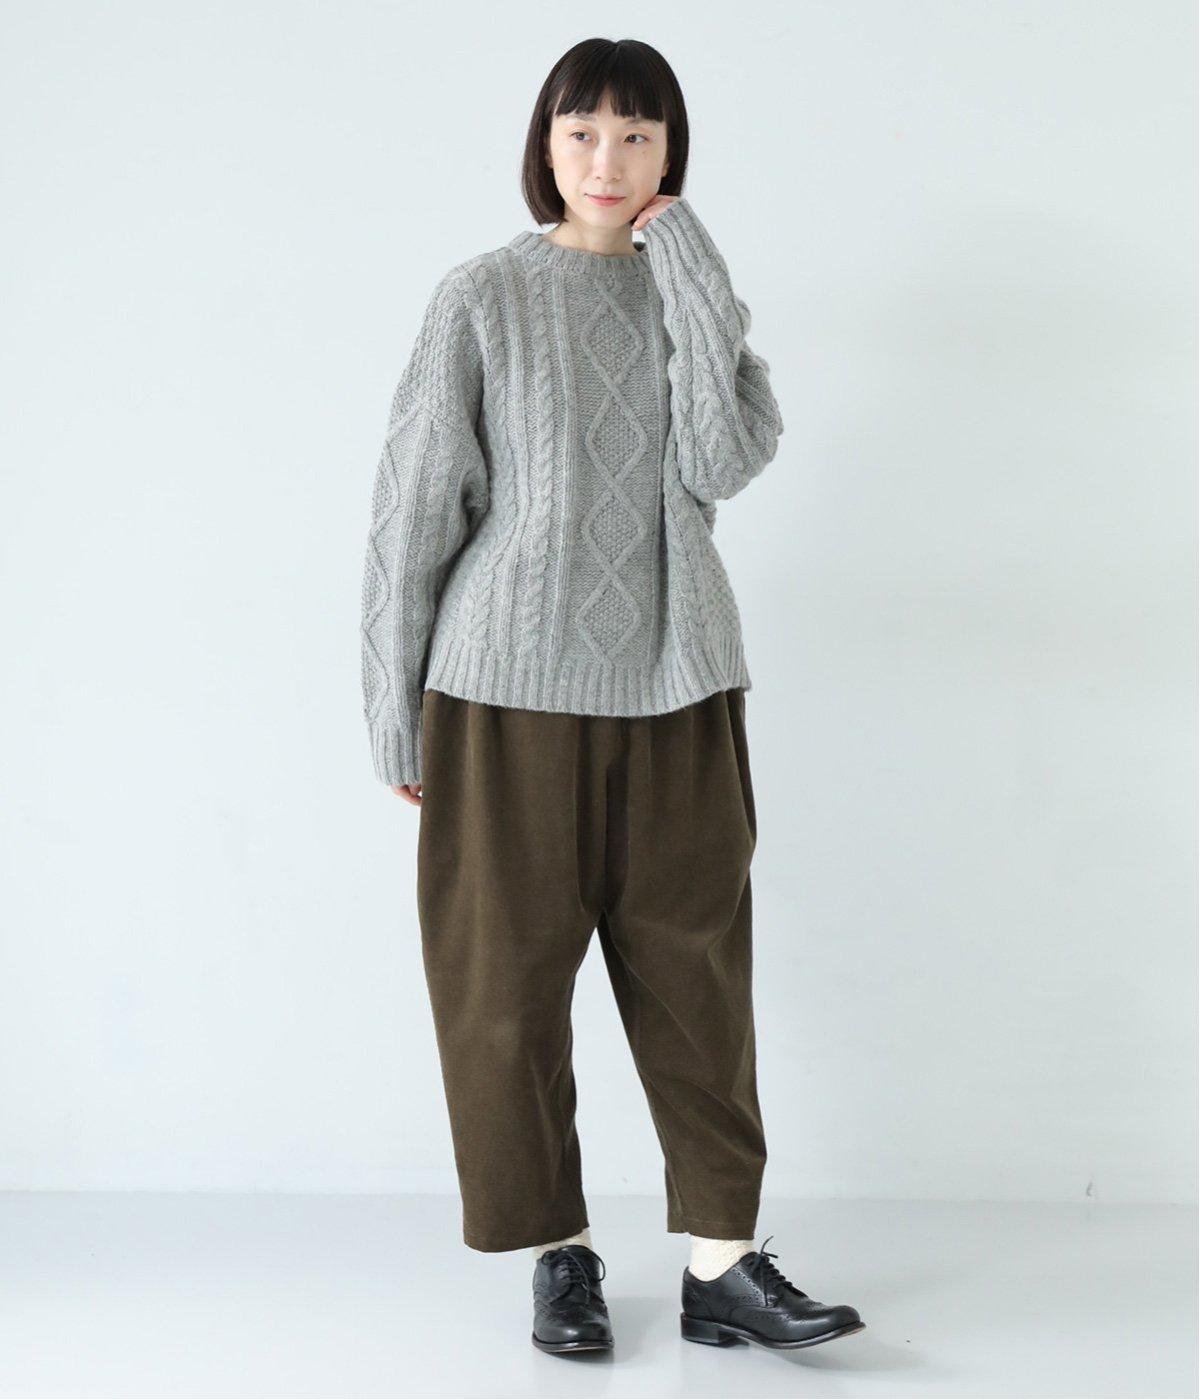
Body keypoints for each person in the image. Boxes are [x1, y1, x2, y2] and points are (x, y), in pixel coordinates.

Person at [359, 36, 866, 1355]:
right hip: (501, 693)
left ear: (671, 155)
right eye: (583, 130)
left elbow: (722, 459)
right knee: (504, 991)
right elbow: (415, 510)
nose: (608, 158)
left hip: (678, 682)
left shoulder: (685, 296)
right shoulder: (480, 297)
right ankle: (560, 1254)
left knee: (700, 980)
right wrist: (394, 704)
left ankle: (722, 1263)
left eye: (638, 135)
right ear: (545, 143)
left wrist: (684, 258)